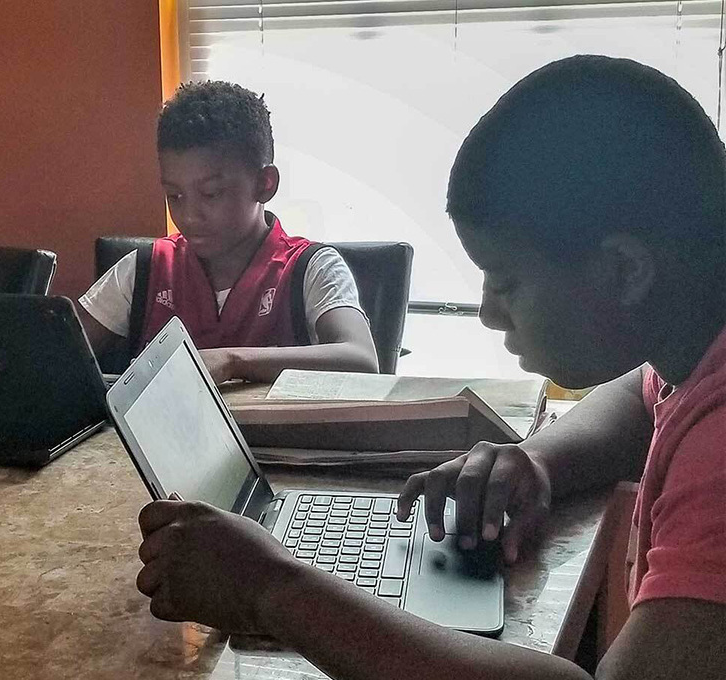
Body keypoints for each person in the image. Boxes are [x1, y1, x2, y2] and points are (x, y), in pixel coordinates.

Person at [134, 56, 726, 680]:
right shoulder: (692, 334)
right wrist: (540, 459)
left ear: (625, 270)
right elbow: (642, 394)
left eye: (507, 281)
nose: (491, 314)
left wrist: (273, 591)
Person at [77, 81, 378, 383]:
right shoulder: (144, 268)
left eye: (211, 194)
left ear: (265, 184)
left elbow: (361, 359)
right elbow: (58, 360)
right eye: (175, 196)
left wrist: (231, 360)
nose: (190, 216)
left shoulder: (310, 267)